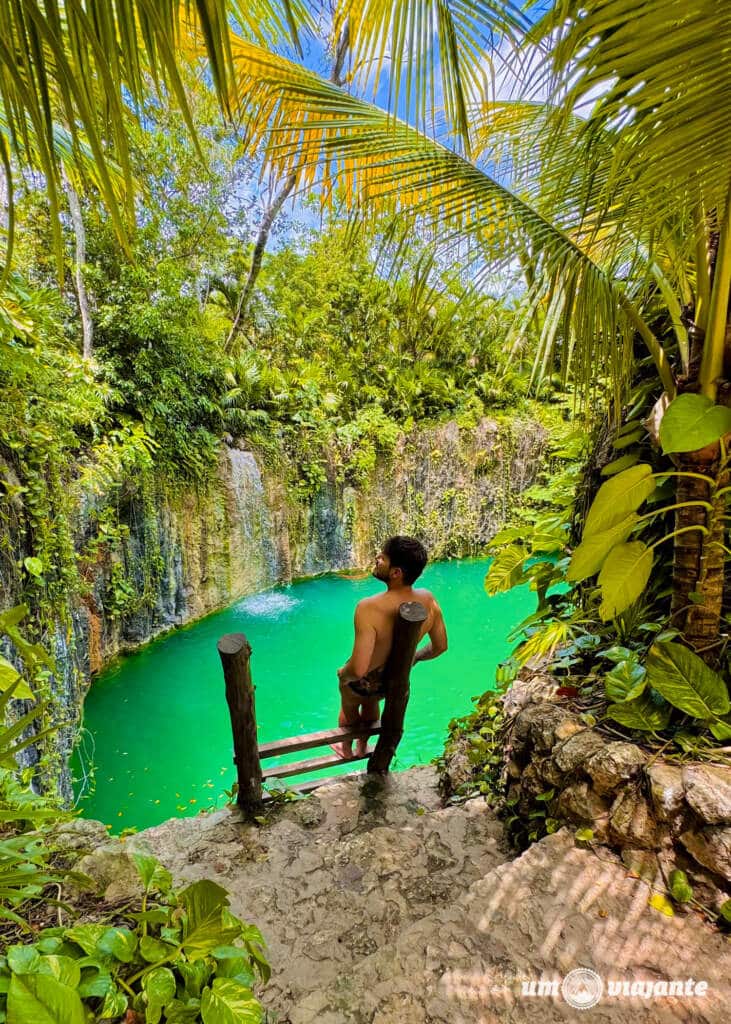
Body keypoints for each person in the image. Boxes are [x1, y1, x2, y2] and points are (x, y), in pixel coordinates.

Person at [331, 535, 448, 759]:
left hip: (361, 684)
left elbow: (358, 670)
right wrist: (414, 658)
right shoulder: (428, 601)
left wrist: (343, 675)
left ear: (396, 573)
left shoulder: (368, 607)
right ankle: (363, 748)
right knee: (371, 703)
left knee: (349, 704)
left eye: (382, 558)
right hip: (390, 684)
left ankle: (346, 749)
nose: (377, 558)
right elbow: (440, 646)